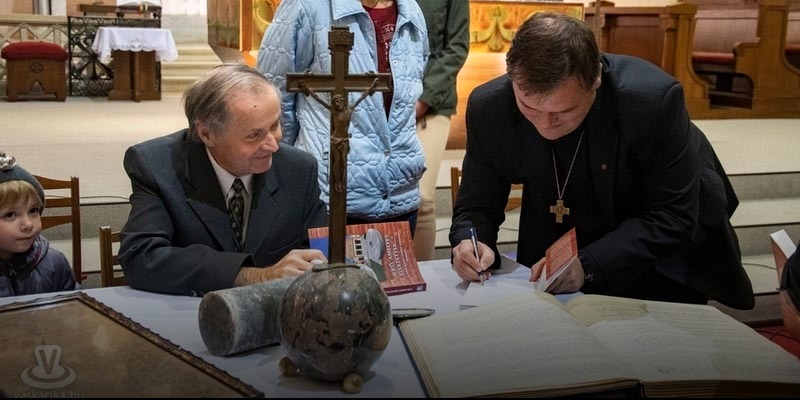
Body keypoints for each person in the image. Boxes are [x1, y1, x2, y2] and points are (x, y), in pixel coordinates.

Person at [449, 12, 755, 310]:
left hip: (654, 248)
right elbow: (477, 204)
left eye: (564, 111)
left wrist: (589, 265)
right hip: (556, 232)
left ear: (595, 78)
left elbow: (672, 216)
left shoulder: (652, 102)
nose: (546, 125)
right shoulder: (489, 108)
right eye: (530, 108)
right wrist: (472, 241)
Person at [118, 63, 328, 296]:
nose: (273, 144)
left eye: (275, 125)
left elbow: (320, 253)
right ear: (206, 134)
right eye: (254, 135)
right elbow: (142, 258)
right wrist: (256, 276)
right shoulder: (156, 165)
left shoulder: (298, 169)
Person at [255, 0, 428, 234]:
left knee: (393, 273)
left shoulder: (411, 11)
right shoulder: (308, 6)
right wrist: (290, 167)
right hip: (331, 194)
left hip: (399, 195)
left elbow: (406, 98)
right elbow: (274, 95)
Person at [412, 0, 470, 261]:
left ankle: (422, 282)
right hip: (381, 100)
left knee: (422, 199)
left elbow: (457, 46)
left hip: (432, 103)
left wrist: (425, 99)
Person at [0, 153, 79, 297]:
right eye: (10, 215)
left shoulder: (55, 263)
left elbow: (75, 309)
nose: (28, 224)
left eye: (33, 211)